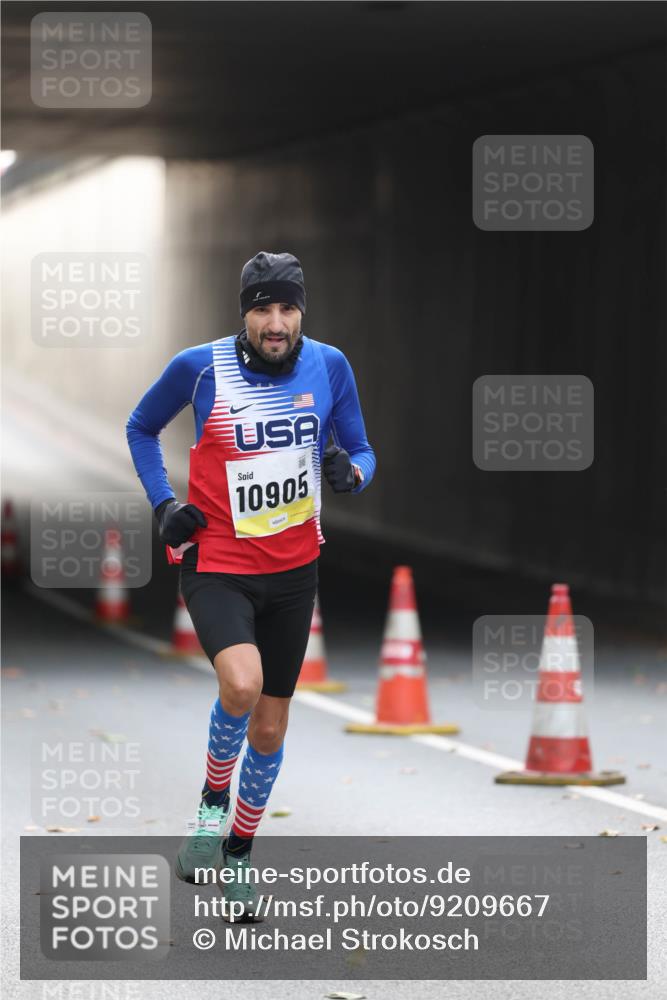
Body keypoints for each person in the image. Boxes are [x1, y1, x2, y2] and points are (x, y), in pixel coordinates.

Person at [126, 251, 375, 919]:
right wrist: (161, 503)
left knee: (268, 729)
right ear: (244, 312)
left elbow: (361, 448)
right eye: (262, 308)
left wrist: (352, 474)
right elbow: (142, 427)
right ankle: (211, 805)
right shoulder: (200, 367)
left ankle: (238, 853)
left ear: (301, 312)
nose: (275, 321)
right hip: (216, 564)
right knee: (239, 684)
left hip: (294, 572)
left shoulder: (330, 365)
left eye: (286, 308)